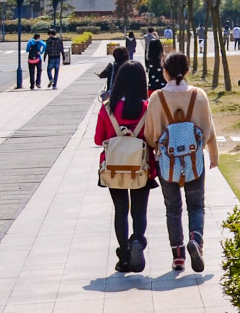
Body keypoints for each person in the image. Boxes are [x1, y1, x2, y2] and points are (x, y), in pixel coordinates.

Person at [139, 52, 219, 273]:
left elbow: (150, 134)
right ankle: (196, 240)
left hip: (167, 161)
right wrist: (213, 156)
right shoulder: (199, 95)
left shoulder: (157, 98)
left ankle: (178, 257)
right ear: (187, 71)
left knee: (172, 208)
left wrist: (154, 150)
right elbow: (208, 130)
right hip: (194, 160)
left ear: (164, 71)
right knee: (196, 205)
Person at [94, 53, 153, 273]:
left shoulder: (107, 108)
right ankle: (137, 240)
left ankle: (124, 255)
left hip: (114, 168)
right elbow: (152, 137)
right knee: (139, 210)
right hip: (141, 167)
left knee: (120, 210)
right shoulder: (147, 107)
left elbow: (98, 139)